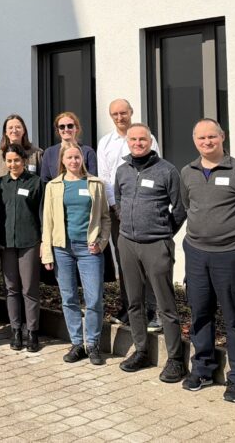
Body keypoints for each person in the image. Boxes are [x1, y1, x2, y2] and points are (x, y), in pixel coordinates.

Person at [180, 118, 235, 403]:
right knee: (200, 313)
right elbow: (188, 206)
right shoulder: (187, 172)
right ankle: (203, 369)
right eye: (201, 138)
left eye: (212, 137)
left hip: (231, 256)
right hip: (196, 254)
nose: (207, 142)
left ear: (222, 137)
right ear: (195, 141)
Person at [113, 123, 187, 383]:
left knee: (166, 304)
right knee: (134, 302)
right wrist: (127, 224)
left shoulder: (167, 171)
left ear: (150, 141)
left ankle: (176, 360)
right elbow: (118, 201)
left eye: (142, 139)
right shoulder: (122, 170)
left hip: (156, 244)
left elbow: (180, 209)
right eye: (133, 139)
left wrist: (163, 233)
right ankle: (141, 351)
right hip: (127, 243)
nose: (137, 143)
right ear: (128, 142)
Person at [41, 143, 110, 365]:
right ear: (62, 160)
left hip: (89, 249)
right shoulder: (53, 186)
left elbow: (105, 218)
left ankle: (93, 344)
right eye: (69, 157)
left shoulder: (95, 184)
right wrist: (47, 253)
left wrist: (102, 242)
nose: (73, 161)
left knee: (94, 298)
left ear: (83, 159)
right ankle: (77, 343)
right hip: (62, 248)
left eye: (77, 157)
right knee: (69, 297)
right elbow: (48, 221)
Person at [97, 99, 162, 328]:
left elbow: (155, 169)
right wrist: (117, 207)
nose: (119, 117)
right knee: (125, 262)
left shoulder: (146, 138)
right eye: (114, 114)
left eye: (123, 113)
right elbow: (105, 178)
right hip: (118, 211)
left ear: (131, 112)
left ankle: (153, 310)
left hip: (144, 209)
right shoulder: (105, 143)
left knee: (148, 261)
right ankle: (129, 307)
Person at [0, 144, 44, 352]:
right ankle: (15, 330)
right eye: (9, 161)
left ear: (24, 161)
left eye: (16, 160)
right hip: (6, 243)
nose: (13, 164)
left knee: (29, 288)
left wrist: (44, 241)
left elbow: (42, 213)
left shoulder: (36, 182)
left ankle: (32, 332)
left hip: (29, 242)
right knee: (11, 288)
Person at [40, 111, 99, 183]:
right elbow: (45, 181)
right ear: (58, 130)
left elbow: (93, 179)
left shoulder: (88, 152)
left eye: (70, 126)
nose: (66, 129)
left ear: (76, 128)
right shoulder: (49, 153)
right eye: (62, 127)